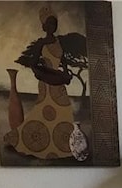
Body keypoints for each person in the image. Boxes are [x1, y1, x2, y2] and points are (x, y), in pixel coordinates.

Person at [5, 5, 75, 160]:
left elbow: (63, 61)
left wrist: (65, 73)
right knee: (44, 111)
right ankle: (35, 141)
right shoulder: (40, 44)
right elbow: (33, 63)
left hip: (58, 81)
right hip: (46, 82)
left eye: (54, 23)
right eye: (49, 23)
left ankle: (62, 144)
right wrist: (41, 74)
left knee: (65, 109)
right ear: (44, 26)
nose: (52, 26)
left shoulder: (58, 43)